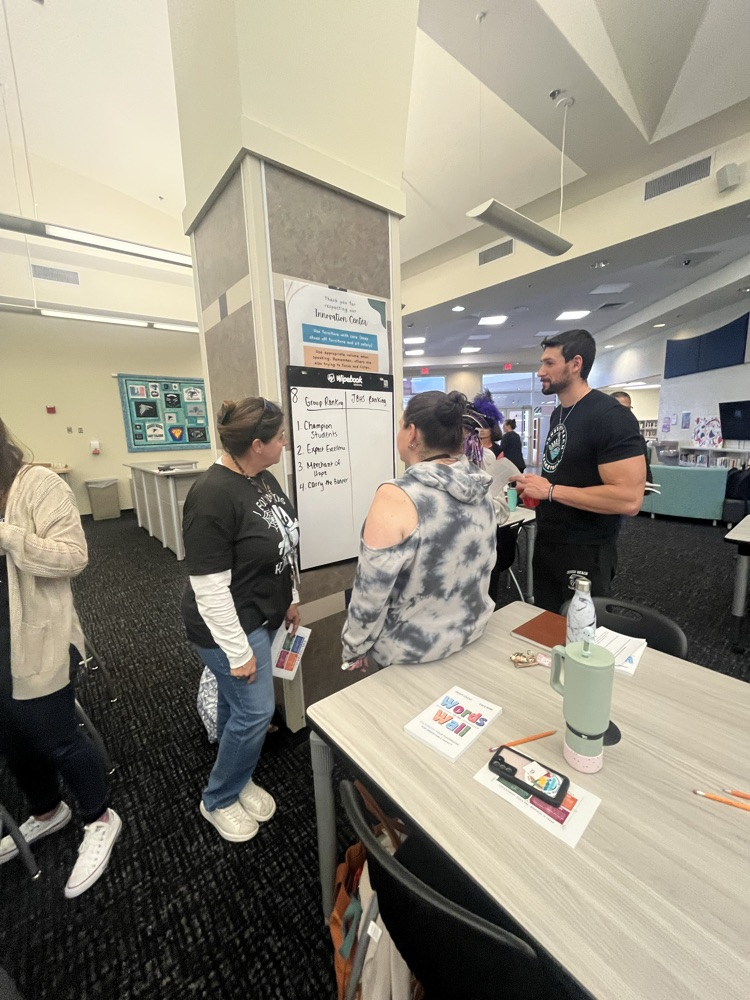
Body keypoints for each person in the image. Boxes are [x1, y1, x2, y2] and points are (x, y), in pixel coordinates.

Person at [0, 418, 121, 898]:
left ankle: (100, 816)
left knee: (56, 738)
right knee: (13, 740)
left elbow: (73, 556)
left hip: (40, 637)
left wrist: (7, 535)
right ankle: (48, 811)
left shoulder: (37, 485)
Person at [182, 397, 300, 843]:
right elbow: (209, 588)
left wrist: (290, 596)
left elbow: (283, 540)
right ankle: (217, 799)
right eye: (279, 437)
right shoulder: (212, 495)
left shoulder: (262, 477)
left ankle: (238, 774)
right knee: (256, 712)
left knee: (236, 709)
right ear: (256, 444)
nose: (284, 442)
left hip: (262, 615)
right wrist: (237, 651)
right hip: (226, 628)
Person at [341, 391, 496, 669]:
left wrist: (355, 647)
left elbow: (372, 590)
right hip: (472, 637)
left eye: (401, 424)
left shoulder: (396, 496)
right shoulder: (480, 486)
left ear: (411, 433)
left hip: (410, 655)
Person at [513, 331, 645, 613]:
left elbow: (629, 499)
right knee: (549, 625)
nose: (540, 372)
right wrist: (538, 487)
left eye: (549, 363)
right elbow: (568, 474)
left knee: (581, 635)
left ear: (575, 364)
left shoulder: (611, 416)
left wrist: (550, 490)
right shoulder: (559, 413)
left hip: (586, 549)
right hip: (550, 543)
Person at [611, 391, 653, 486]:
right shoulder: (599, 435)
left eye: (628, 409)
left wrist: (647, 483)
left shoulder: (637, 438)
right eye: (621, 409)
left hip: (631, 491)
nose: (625, 413)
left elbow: (645, 467)